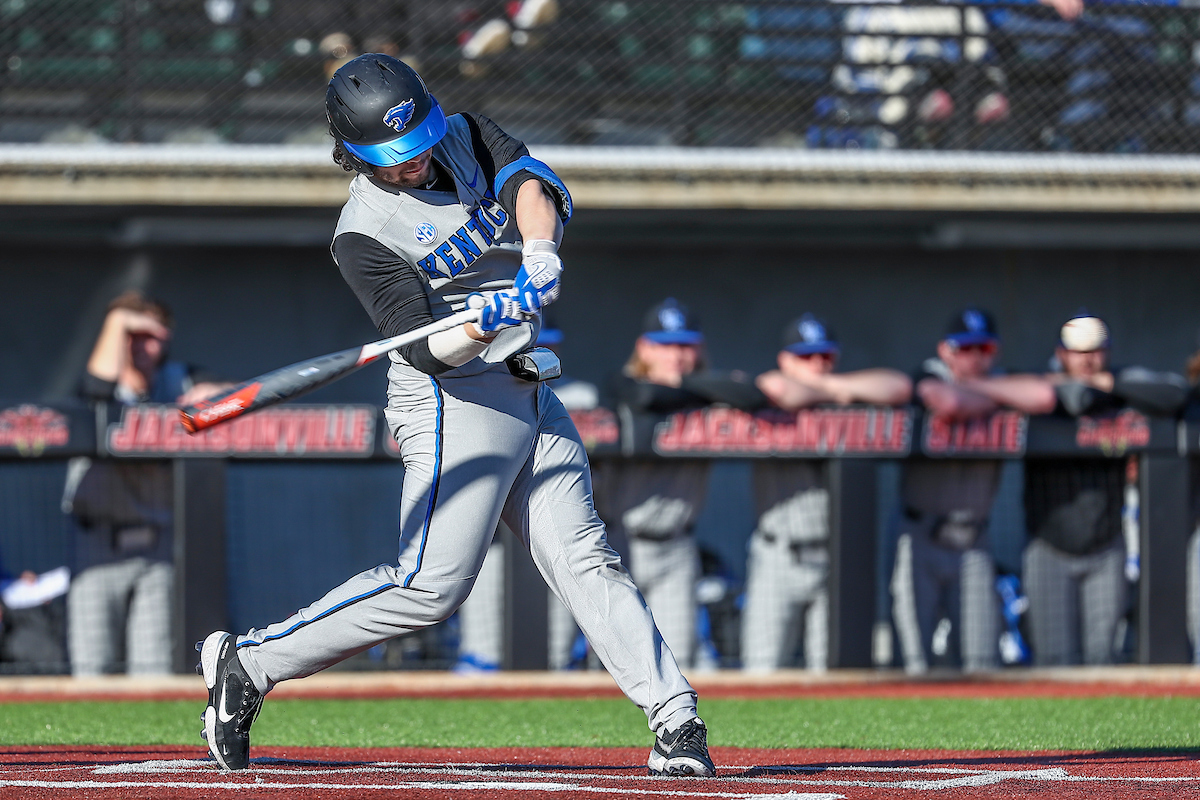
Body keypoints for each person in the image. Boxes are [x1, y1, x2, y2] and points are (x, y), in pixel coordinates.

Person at [197, 54, 714, 778]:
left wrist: (539, 257)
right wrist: (476, 323)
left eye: (417, 148)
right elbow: (428, 351)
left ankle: (675, 721)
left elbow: (531, 183)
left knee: (584, 557)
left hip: (528, 386)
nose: (414, 165)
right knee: (428, 589)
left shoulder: (465, 134)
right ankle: (249, 664)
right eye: (395, 158)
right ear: (355, 152)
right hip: (450, 403)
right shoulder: (362, 234)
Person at [63, 290, 229, 677]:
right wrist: (120, 321)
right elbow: (97, 391)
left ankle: (150, 743)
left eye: (150, 335)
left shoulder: (179, 379)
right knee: (91, 669)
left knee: (153, 670)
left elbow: (245, 394)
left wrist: (216, 396)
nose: (140, 346)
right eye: (130, 334)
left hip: (157, 546)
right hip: (96, 545)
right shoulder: (95, 381)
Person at [601, 298, 765, 670]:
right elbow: (643, 394)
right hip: (621, 544)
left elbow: (752, 395)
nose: (676, 355)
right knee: (614, 661)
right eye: (666, 345)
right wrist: (701, 389)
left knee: (680, 661)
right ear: (644, 347)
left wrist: (692, 387)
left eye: (685, 345)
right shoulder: (623, 385)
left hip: (677, 547)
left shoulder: (710, 393)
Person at [743, 314, 911, 672]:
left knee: (834, 676)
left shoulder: (844, 396)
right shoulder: (770, 396)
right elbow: (779, 389)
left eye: (825, 356)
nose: (818, 365)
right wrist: (836, 390)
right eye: (806, 357)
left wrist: (833, 389)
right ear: (786, 360)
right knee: (761, 670)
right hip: (779, 554)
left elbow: (898, 386)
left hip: (835, 559)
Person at [891, 308, 1055, 674]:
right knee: (913, 660)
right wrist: (997, 398)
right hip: (920, 538)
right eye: (965, 349)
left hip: (974, 542)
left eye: (984, 348)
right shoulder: (928, 373)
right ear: (945, 351)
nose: (975, 357)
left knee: (982, 658)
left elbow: (1043, 396)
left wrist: (975, 388)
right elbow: (948, 402)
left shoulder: (1001, 378)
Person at [1024, 312, 1186, 666]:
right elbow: (1074, 400)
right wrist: (1074, 384)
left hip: (1105, 546)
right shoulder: (1043, 388)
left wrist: (1110, 384)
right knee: (1053, 662)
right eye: (1079, 353)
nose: (1088, 360)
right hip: (1049, 546)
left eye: (1096, 351)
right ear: (1062, 354)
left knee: (1102, 660)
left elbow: (1175, 393)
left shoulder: (1119, 383)